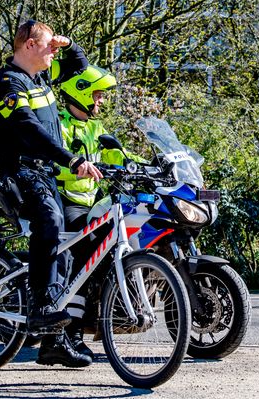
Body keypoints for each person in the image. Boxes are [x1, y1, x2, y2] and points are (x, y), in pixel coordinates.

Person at [0, 20, 103, 368]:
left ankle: (54, 344)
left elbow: (82, 70)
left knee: (66, 247)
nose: (53, 52)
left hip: (43, 175)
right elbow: (28, 129)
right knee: (50, 221)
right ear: (29, 46)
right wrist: (70, 159)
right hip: (17, 174)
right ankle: (40, 307)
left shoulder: (41, 80)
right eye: (48, 46)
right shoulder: (7, 84)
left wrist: (68, 45)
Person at [55, 65, 146, 358]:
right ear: (80, 92)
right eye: (97, 94)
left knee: (108, 250)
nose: (101, 100)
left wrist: (148, 166)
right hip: (65, 202)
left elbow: (118, 155)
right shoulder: (60, 125)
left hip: (90, 205)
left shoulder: (96, 128)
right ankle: (69, 333)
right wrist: (79, 169)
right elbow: (54, 162)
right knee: (82, 257)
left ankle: (100, 311)